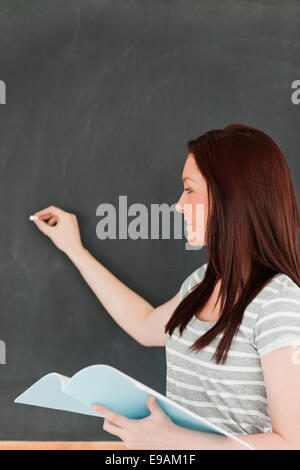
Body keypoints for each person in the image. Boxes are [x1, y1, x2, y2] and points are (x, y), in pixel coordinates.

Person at [32, 124, 300, 450]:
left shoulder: (278, 304)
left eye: (189, 190)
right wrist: (75, 249)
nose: (177, 205)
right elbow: (144, 325)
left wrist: (177, 440)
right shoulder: (202, 283)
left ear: (231, 196)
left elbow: (291, 442)